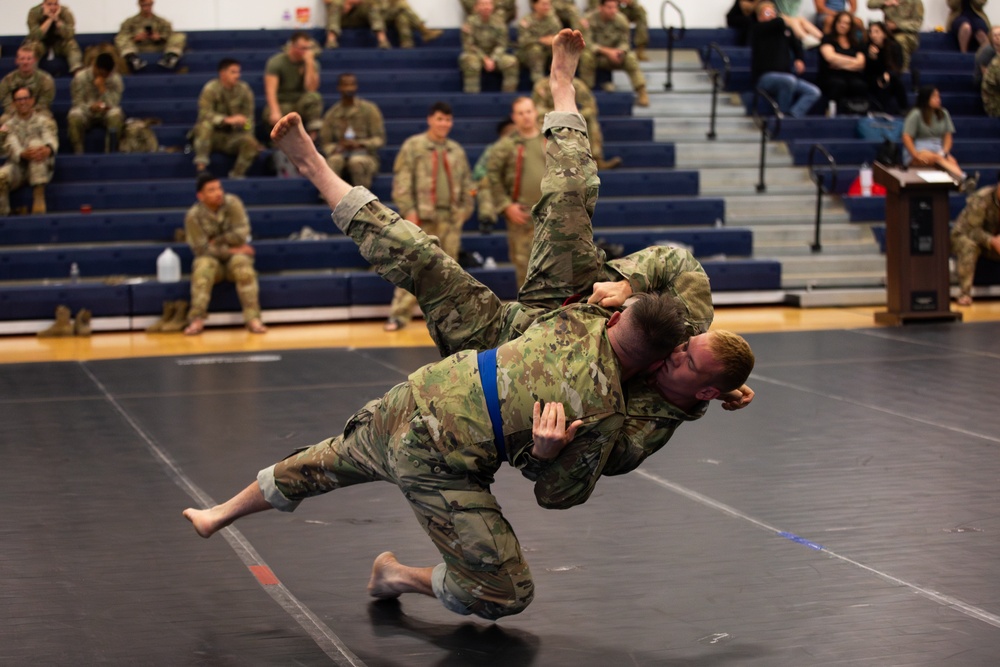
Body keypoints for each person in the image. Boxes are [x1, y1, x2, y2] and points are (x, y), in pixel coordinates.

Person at [183, 33, 753, 621]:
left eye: (685, 362)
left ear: (700, 388)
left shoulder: (640, 424)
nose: (679, 352)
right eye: (684, 346)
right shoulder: (682, 323)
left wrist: (547, 448)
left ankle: (398, 575)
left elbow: (566, 479)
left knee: (426, 266)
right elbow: (680, 265)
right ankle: (551, 89)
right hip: (553, 316)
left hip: (528, 375)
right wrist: (632, 288)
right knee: (562, 200)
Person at [385, 102, 474, 331]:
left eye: (447, 119)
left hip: (451, 218)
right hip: (423, 218)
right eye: (439, 119)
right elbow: (402, 181)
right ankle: (399, 315)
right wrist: (409, 210)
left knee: (450, 272)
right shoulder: (414, 146)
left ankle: (449, 321)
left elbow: (466, 183)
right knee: (414, 267)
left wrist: (465, 210)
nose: (443, 124)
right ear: (430, 120)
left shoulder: (456, 150)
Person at [182, 172, 266, 335]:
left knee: (242, 263)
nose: (218, 192)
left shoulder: (233, 203)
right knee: (203, 266)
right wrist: (232, 249)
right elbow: (201, 249)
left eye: (219, 188)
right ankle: (197, 319)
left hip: (233, 260)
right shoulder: (193, 216)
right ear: (200, 195)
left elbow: (241, 234)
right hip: (214, 262)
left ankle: (253, 319)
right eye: (211, 190)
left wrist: (217, 240)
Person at [487, 97, 545, 288]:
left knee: (557, 267)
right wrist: (505, 205)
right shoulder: (506, 145)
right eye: (520, 113)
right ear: (514, 118)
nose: (526, 117)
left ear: (535, 112)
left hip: (553, 214)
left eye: (528, 111)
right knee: (526, 270)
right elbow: (492, 176)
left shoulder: (549, 139)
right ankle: (529, 315)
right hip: (523, 216)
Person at [532, 74, 622, 170]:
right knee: (539, 122)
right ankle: (547, 162)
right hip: (551, 119)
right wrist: (559, 114)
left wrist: (574, 114)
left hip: (572, 118)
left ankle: (596, 160)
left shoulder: (577, 85)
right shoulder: (542, 86)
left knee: (590, 120)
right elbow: (536, 110)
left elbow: (591, 108)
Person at [749, 2, 822, 118]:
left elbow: (797, 45)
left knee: (813, 91)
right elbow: (779, 22)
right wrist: (784, 18)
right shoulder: (758, 29)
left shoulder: (785, 31)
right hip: (765, 77)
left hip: (787, 76)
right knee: (788, 81)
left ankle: (792, 115)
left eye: (773, 11)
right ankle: (781, 115)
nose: (772, 14)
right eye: (768, 12)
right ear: (759, 17)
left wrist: (799, 59)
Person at [192, 58, 260, 179]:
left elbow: (249, 119)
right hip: (212, 135)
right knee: (204, 126)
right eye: (233, 72)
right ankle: (201, 168)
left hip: (231, 137)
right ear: (222, 73)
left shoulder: (244, 90)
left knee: (251, 142)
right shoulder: (211, 88)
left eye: (238, 72)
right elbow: (204, 113)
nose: (237, 76)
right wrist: (226, 120)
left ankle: (237, 175)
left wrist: (247, 130)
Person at [319, 72, 386, 190]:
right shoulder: (332, 114)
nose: (349, 88)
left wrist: (360, 144)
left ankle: (363, 199)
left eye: (352, 85)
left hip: (365, 155)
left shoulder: (369, 109)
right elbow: (325, 143)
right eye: (345, 85)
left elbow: (379, 139)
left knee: (356, 162)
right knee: (333, 161)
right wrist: (337, 148)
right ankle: (330, 198)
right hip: (341, 153)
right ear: (339, 87)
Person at [902, 86, 976, 191]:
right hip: (918, 149)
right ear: (926, 98)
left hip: (938, 148)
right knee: (937, 159)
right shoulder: (916, 114)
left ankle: (960, 185)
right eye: (934, 97)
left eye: (938, 96)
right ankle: (964, 177)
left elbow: (948, 137)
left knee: (951, 161)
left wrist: (944, 152)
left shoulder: (943, 113)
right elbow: (906, 137)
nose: (938, 99)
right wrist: (915, 154)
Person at [0, 87, 57, 216]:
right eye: (18, 99)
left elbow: (50, 137)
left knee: (36, 144)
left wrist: (48, 149)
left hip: (40, 166)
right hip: (18, 166)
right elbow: (11, 143)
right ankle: (4, 213)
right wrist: (22, 153)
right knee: (1, 176)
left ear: (32, 101)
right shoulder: (8, 125)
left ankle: (39, 196)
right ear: (14, 103)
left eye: (25, 98)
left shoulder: (44, 121)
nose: (22, 102)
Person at [579, 0, 649, 106]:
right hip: (598, 56)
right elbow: (587, 43)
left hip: (616, 56)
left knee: (630, 58)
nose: (613, 11)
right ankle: (586, 93)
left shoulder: (621, 20)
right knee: (586, 56)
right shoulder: (590, 20)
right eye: (609, 8)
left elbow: (625, 42)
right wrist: (608, 52)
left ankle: (641, 92)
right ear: (600, 7)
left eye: (615, 8)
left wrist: (620, 51)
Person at [951, 174, 1000, 305]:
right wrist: (993, 241)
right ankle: (964, 293)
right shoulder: (982, 198)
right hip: (964, 235)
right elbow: (972, 230)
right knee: (969, 245)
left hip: (992, 242)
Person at [263, 31, 322, 139]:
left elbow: (311, 89)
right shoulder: (276, 62)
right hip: (282, 102)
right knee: (272, 114)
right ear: (293, 47)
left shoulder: (312, 64)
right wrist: (275, 111)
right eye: (303, 48)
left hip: (300, 102)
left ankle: (312, 140)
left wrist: (309, 64)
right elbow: (270, 91)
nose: (306, 51)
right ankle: (279, 144)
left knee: (314, 98)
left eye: (308, 48)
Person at [67, 53, 124, 154]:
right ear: (95, 67)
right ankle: (78, 152)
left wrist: (103, 90)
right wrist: (90, 107)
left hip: (106, 112)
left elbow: (114, 103)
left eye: (106, 75)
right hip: (87, 111)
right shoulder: (80, 78)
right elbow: (77, 102)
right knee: (74, 115)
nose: (103, 77)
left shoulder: (116, 79)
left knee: (116, 114)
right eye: (101, 74)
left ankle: (110, 151)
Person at [459, 0, 519, 94]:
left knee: (511, 62)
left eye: (488, 4)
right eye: (482, 4)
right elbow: (469, 45)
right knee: (471, 63)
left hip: (495, 56)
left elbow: (502, 44)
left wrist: (493, 59)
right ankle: (472, 97)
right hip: (475, 55)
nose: (486, 7)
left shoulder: (499, 22)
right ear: (477, 7)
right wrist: (484, 58)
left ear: (493, 6)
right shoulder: (470, 22)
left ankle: (508, 97)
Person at [114, 0, 186, 72]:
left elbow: (169, 35)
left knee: (179, 36)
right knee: (120, 38)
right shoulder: (130, 22)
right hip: (137, 47)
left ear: (152, 4)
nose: (146, 8)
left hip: (158, 46)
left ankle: (170, 57)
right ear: (139, 5)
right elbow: (123, 35)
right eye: (144, 5)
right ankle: (132, 59)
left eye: (148, 5)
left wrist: (160, 37)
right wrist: (135, 38)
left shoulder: (162, 21)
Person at [817, 11, 867, 113]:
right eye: (840, 22)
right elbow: (830, 58)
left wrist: (839, 63)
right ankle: (831, 111)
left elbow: (861, 63)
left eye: (846, 23)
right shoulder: (828, 38)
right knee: (838, 84)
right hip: (830, 75)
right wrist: (853, 62)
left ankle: (856, 111)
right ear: (835, 23)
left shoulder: (855, 42)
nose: (842, 25)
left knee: (859, 84)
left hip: (851, 76)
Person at [472, 117, 516, 232]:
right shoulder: (493, 150)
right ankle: (487, 219)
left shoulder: (523, 148)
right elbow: (478, 171)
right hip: (497, 187)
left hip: (516, 186)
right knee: (485, 183)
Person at [26, 0, 83, 74]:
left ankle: (77, 72)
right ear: (43, 4)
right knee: (33, 46)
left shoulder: (65, 12)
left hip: (59, 43)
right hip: (41, 43)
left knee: (71, 44)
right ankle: (30, 73)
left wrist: (57, 20)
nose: (53, 7)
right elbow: (35, 36)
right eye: (49, 4)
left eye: (55, 4)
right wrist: (49, 19)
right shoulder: (34, 12)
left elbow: (69, 34)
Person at [0, 45, 56, 118]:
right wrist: (19, 112)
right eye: (22, 59)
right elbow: (5, 101)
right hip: (14, 113)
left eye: (29, 59)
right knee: (3, 120)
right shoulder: (7, 80)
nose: (25, 62)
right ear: (17, 61)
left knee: (48, 122)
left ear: (35, 60)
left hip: (38, 112)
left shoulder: (46, 80)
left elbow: (44, 102)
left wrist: (29, 113)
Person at [865, 21, 908, 114]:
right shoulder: (867, 47)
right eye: (871, 32)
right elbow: (867, 70)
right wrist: (872, 58)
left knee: (894, 82)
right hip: (873, 78)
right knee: (884, 85)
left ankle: (904, 109)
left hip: (890, 77)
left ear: (884, 34)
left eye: (877, 32)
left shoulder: (894, 46)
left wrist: (888, 74)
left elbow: (898, 66)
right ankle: (881, 110)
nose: (873, 35)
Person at [867, 0, 923, 71]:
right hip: (888, 33)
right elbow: (870, 4)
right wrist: (884, 2)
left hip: (908, 34)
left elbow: (917, 24)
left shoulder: (915, 2)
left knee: (899, 40)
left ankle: (902, 70)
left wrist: (897, 25)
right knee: (875, 36)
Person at [517, 0, 563, 83]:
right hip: (528, 53)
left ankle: (559, 81)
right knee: (535, 50)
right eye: (543, 4)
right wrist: (540, 40)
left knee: (560, 49)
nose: (546, 7)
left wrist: (554, 40)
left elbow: (558, 36)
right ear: (535, 5)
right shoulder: (526, 21)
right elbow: (523, 41)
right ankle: (538, 83)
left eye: (548, 4)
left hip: (547, 51)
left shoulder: (553, 20)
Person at [324, 0, 391, 50]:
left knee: (371, 4)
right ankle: (331, 40)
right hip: (341, 15)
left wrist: (350, 2)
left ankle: (382, 40)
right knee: (336, 3)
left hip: (361, 14)